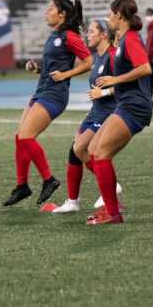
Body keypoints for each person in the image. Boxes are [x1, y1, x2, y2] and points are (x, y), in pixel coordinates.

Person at [4, 0, 92, 207]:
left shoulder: (69, 36)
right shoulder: (54, 35)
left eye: (51, 8)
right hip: (42, 90)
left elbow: (89, 61)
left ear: (62, 14)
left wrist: (66, 75)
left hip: (55, 94)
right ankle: (22, 186)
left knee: (26, 137)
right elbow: (55, 67)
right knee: (19, 137)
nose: (46, 11)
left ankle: (49, 180)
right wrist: (39, 70)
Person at [86, 0, 153, 224]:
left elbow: (145, 68)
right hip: (126, 104)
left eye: (110, 13)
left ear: (118, 15)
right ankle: (111, 208)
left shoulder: (132, 37)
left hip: (136, 106)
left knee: (100, 153)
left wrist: (115, 80)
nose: (108, 17)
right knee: (93, 149)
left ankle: (113, 214)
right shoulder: (123, 39)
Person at [53, 18, 118, 213]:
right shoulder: (97, 56)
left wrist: (104, 93)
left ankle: (109, 188)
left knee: (82, 147)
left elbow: (126, 84)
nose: (87, 35)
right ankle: (74, 201)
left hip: (109, 113)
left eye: (91, 31)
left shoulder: (113, 56)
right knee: (75, 150)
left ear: (104, 34)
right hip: (95, 112)